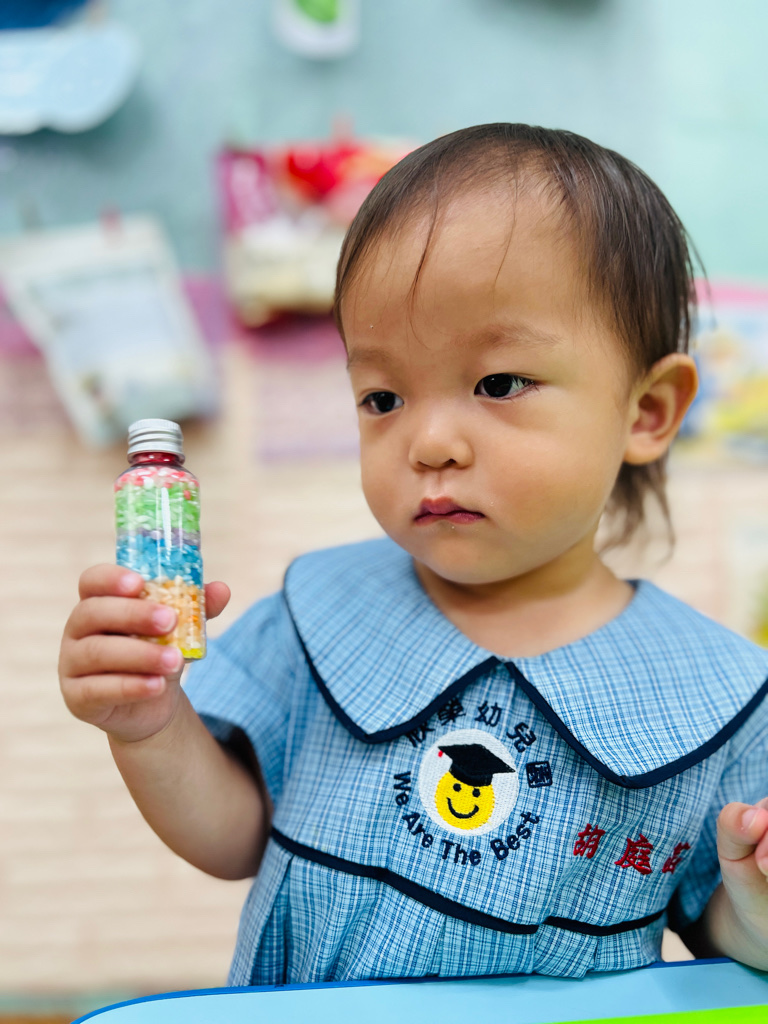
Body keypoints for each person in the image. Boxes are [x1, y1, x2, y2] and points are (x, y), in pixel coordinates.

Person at [59, 124, 768, 985]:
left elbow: (721, 930)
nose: (428, 443)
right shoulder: (324, 608)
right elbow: (233, 836)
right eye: (383, 397)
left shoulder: (717, 695)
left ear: (647, 412)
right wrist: (150, 725)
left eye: (499, 384)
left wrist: (756, 909)